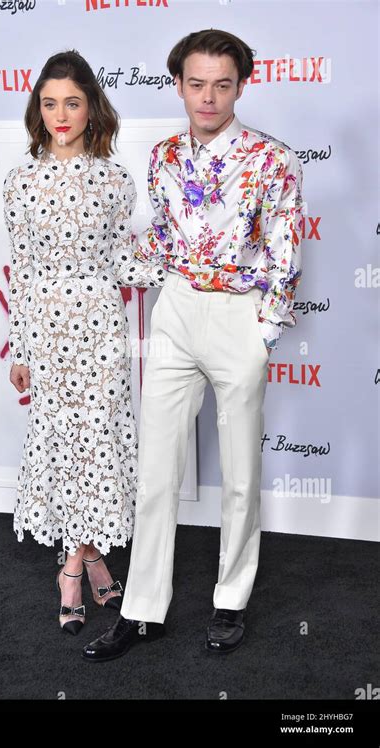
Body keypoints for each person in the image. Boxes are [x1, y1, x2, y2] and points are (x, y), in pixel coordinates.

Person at [82, 28, 304, 661]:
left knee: (239, 475)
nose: (208, 98)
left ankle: (230, 601)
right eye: (197, 84)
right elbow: (163, 239)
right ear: (178, 84)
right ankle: (142, 609)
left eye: (222, 85)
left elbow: (286, 248)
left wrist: (264, 331)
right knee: (156, 472)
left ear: (241, 85)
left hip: (241, 317)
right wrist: (106, 257)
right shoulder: (164, 156)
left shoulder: (272, 159)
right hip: (176, 310)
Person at [3, 50, 166, 636]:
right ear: (37, 109)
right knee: (63, 442)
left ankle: (73, 562)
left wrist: (176, 265)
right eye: (49, 103)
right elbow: (21, 268)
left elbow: (120, 259)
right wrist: (20, 346)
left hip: (99, 326)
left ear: (91, 107)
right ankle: (88, 556)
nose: (61, 115)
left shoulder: (116, 180)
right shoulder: (21, 180)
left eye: (72, 102)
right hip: (47, 332)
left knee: (97, 442)